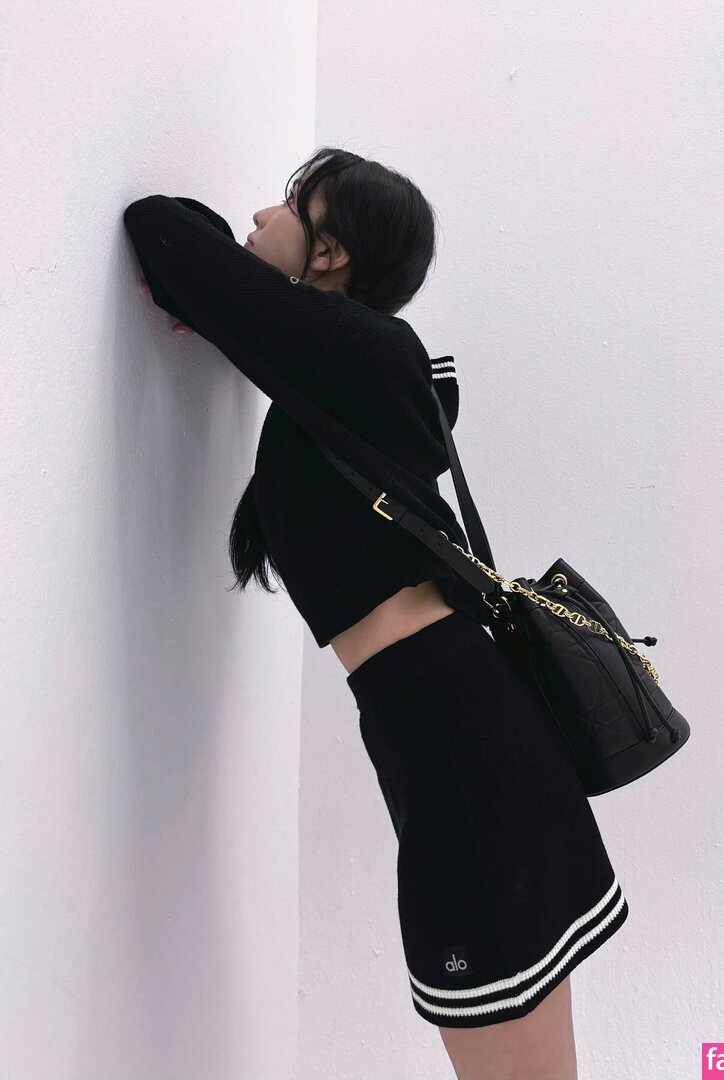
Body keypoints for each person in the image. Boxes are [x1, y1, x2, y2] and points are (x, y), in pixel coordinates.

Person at [124, 145, 628, 1080]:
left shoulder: (364, 355)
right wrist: (223, 300)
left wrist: (218, 291)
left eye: (288, 203)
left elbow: (160, 226)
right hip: (454, 730)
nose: (261, 216)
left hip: (457, 741)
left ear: (331, 253)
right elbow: (187, 254)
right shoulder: (343, 382)